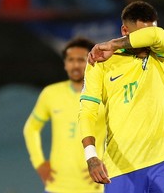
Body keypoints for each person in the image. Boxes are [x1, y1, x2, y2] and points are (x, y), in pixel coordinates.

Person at [78, 1, 164, 193]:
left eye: (147, 36)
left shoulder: (161, 56)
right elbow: (87, 112)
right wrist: (91, 156)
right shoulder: (100, 63)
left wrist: (113, 43)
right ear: (125, 30)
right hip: (120, 169)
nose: (147, 43)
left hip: (163, 162)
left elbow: (157, 35)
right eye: (139, 36)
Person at [23, 37, 106, 193]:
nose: (75, 65)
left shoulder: (105, 94)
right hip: (57, 186)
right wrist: (39, 163)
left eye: (81, 60)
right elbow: (31, 128)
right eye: (71, 60)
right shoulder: (51, 93)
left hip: (94, 186)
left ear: (91, 61)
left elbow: (121, 132)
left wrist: (106, 162)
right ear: (65, 64)